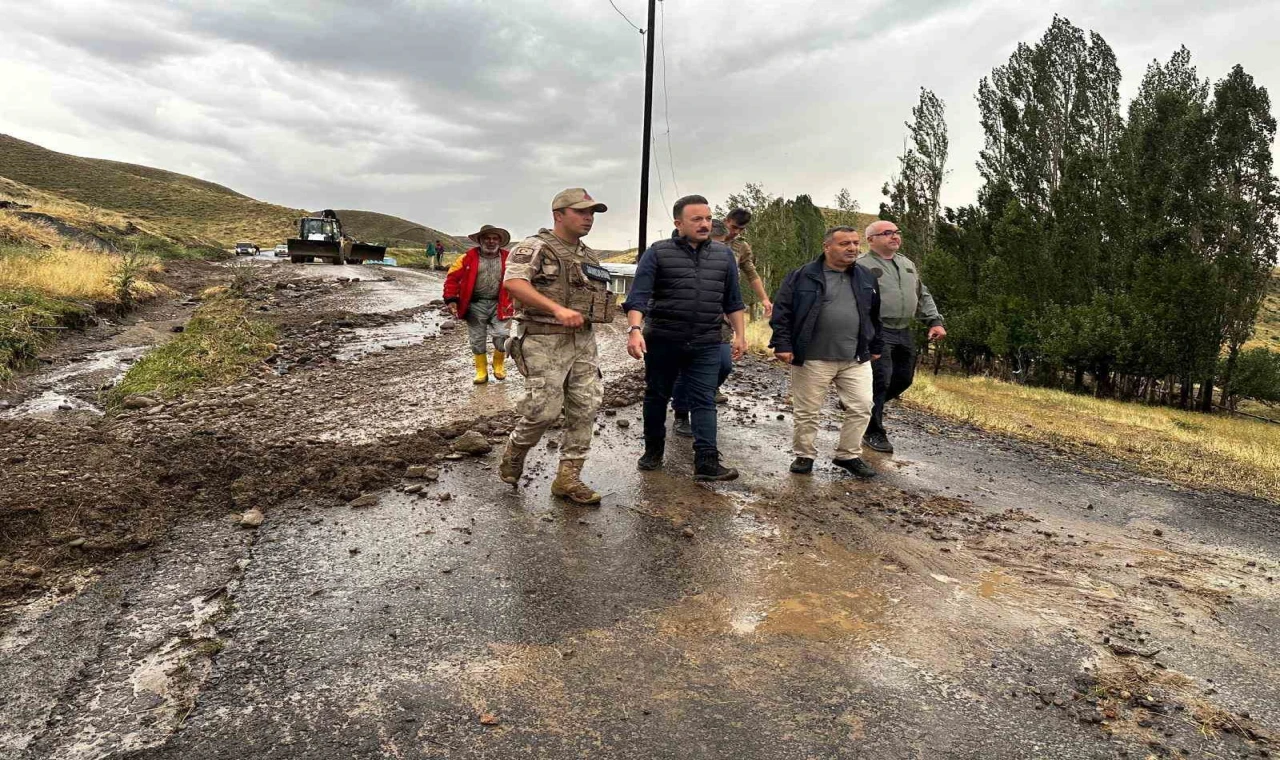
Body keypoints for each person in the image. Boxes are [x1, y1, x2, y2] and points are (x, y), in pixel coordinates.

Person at [499, 188, 615, 505]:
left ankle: (568, 478)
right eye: (581, 212)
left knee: (585, 407)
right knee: (544, 410)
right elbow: (513, 283)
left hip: (582, 341)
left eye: (592, 213)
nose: (588, 218)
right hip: (542, 338)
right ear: (558, 215)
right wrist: (557, 309)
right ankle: (516, 448)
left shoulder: (589, 256)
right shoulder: (535, 247)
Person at [624, 194, 747, 482]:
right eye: (697, 219)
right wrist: (635, 330)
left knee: (704, 399)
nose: (705, 224)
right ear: (679, 223)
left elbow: (733, 300)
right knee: (656, 396)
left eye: (708, 218)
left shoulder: (724, 255)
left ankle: (706, 462)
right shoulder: (657, 252)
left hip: (706, 341)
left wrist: (740, 334)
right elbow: (637, 298)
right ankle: (653, 451)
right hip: (664, 340)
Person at [770, 226, 883, 477]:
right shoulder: (802, 276)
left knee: (863, 405)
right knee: (808, 410)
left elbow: (874, 315)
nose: (852, 248)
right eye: (845, 244)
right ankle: (804, 455)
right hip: (812, 356)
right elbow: (782, 312)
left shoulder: (866, 277)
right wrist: (783, 343)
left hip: (855, 357)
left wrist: (876, 345)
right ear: (827, 247)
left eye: (855, 243)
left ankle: (848, 455)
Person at [856, 220, 946, 454]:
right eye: (887, 233)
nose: (894, 237)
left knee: (904, 379)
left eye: (896, 232)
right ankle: (873, 431)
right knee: (880, 380)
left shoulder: (907, 264)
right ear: (871, 239)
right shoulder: (860, 266)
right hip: (877, 330)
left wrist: (934, 321)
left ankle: (861, 407)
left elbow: (922, 293)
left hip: (904, 329)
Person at [669, 218, 734, 437]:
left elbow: (732, 293)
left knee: (724, 364)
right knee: (683, 372)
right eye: (716, 242)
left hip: (719, 326)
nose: (717, 247)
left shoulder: (724, 259)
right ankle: (681, 414)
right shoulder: (676, 257)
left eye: (722, 243)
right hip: (683, 328)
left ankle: (702, 394)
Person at [444, 224, 514, 384]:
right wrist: (451, 299)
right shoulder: (467, 257)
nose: (491, 241)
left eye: (494, 238)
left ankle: (498, 365)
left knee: (502, 336)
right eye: (487, 238)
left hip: (502, 304)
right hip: (475, 305)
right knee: (477, 338)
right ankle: (481, 371)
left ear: (500, 241)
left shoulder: (509, 258)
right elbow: (452, 279)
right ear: (480, 240)